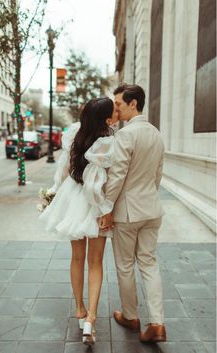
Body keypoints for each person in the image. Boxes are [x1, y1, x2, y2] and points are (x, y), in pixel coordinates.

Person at [39, 97, 118, 346]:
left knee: (77, 258)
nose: (117, 112)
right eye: (113, 110)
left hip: (73, 197)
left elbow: (64, 168)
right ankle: (91, 319)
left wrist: (54, 193)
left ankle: (80, 309)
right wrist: (106, 209)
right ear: (106, 119)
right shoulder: (108, 141)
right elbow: (103, 180)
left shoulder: (75, 132)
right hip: (94, 201)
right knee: (95, 262)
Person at [99, 84, 166, 343]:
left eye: (119, 104)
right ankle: (157, 324)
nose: (116, 109)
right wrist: (149, 195)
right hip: (152, 208)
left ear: (133, 103)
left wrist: (106, 208)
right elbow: (157, 174)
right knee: (149, 263)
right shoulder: (156, 134)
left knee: (125, 265)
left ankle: (130, 315)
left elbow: (116, 177)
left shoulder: (125, 136)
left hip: (128, 212)